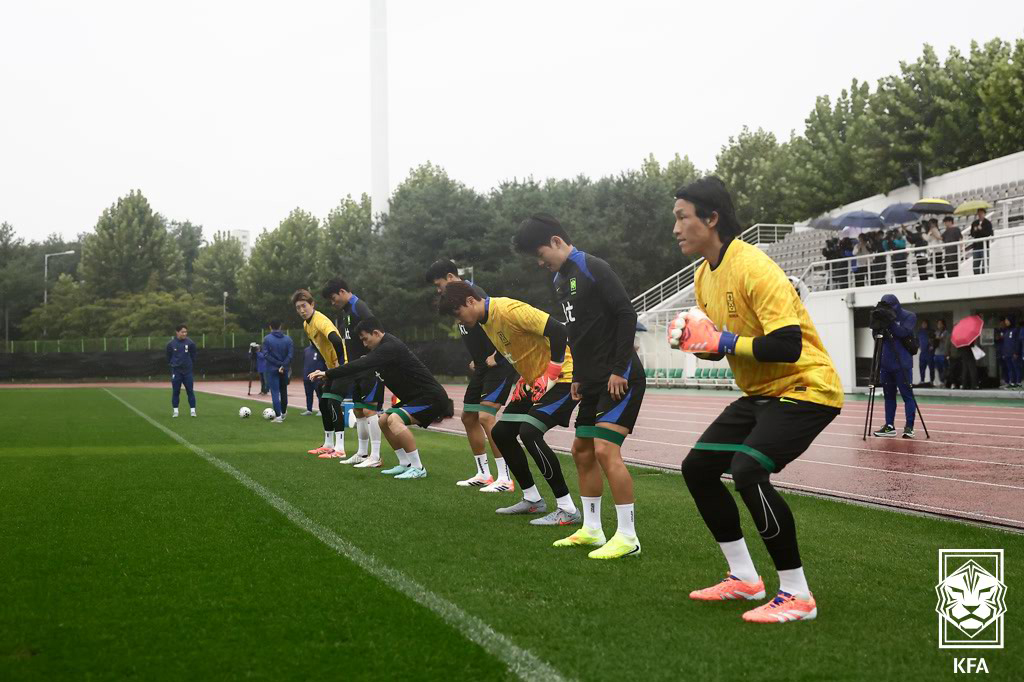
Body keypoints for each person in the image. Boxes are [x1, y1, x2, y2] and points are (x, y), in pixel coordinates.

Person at [668, 176, 843, 624]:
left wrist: (722, 339)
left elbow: (787, 345)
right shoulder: (702, 273)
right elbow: (726, 343)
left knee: (747, 470)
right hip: (762, 393)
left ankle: (798, 595)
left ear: (711, 218)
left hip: (807, 387)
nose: (676, 228)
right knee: (698, 468)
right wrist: (697, 342)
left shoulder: (755, 265)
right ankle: (744, 578)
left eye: (682, 217)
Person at [513, 213, 647, 560]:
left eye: (541, 254)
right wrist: (581, 379)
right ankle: (591, 530)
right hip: (591, 380)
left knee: (604, 449)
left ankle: (628, 537)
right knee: (582, 451)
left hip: (621, 376)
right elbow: (578, 333)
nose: (540, 262)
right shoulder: (559, 279)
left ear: (557, 241)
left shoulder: (592, 266)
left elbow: (626, 314)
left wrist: (619, 369)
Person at [438, 282, 581, 526]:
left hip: (564, 378)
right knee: (502, 433)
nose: (458, 321)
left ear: (470, 301)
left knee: (530, 432)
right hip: (534, 382)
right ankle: (532, 499)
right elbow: (520, 351)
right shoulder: (486, 322)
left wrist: (553, 370)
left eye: (457, 314)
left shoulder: (508, 309)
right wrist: (523, 380)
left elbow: (558, 330)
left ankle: (567, 508)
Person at [308, 318, 453, 480]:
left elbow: (360, 365)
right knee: (383, 420)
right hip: (416, 397)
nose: (364, 344)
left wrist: (328, 373)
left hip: (431, 397)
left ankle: (418, 468)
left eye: (365, 339)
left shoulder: (389, 347)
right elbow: (360, 364)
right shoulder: (382, 349)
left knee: (394, 420)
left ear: (376, 333)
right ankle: (404, 464)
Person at [426, 260, 518, 491]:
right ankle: (483, 473)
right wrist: (477, 358)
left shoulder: (474, 294)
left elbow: (504, 329)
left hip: (500, 366)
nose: (438, 290)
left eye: (439, 284)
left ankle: (505, 478)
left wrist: (496, 356)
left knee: (486, 417)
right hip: (481, 367)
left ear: (450, 276)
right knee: (469, 417)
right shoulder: (455, 299)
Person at [321, 278, 385, 467]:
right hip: (355, 368)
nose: (333, 303)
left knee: (369, 410)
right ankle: (362, 453)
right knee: (358, 411)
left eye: (333, 298)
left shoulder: (359, 307)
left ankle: (376, 456)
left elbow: (377, 331)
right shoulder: (346, 311)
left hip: (369, 367)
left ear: (342, 291)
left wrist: (374, 358)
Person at [292, 289, 348, 458]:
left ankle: (340, 449)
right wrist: (324, 368)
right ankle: (329, 444)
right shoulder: (306, 324)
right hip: (331, 367)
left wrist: (340, 365)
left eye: (304, 306)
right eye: (298, 307)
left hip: (343, 365)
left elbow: (337, 340)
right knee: (324, 402)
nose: (302, 310)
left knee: (332, 402)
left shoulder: (320, 320)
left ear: (312, 304)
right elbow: (317, 346)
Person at [871, 295, 918, 438]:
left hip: (902, 364)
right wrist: (878, 323)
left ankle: (909, 427)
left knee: (907, 396)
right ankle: (889, 426)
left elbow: (903, 332)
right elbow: (876, 335)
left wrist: (890, 322)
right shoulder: (883, 317)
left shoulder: (909, 316)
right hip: (886, 363)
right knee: (889, 396)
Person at [262, 320, 294, 422]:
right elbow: (290, 355)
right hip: (284, 369)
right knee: (283, 390)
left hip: (272, 369)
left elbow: (266, 354)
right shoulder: (288, 339)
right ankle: (283, 412)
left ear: (270, 327)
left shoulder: (267, 339)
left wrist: (277, 364)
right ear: (280, 326)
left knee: (275, 392)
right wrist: (283, 365)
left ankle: (278, 416)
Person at [166, 324, 198, 417]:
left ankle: (193, 411)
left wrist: (189, 365)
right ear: (177, 332)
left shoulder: (190, 343)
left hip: (187, 372)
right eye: (182, 332)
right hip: (176, 372)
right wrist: (173, 364)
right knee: (176, 391)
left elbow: (193, 356)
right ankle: (175, 411)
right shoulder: (171, 344)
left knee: (190, 391)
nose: (184, 334)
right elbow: (168, 357)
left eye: (186, 332)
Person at [302, 344, 327, 415]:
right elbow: (304, 361)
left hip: (317, 377)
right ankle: (309, 409)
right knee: (308, 394)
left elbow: (324, 363)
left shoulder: (321, 350)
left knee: (319, 394)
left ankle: (321, 410)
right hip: (307, 376)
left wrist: (322, 374)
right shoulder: (306, 350)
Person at [996, 317, 1020, 389]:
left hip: (1013, 353)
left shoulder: (1015, 330)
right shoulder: (1006, 331)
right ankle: (1011, 382)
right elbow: (1005, 343)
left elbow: (1017, 342)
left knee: (1016, 367)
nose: (1006, 322)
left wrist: (1016, 352)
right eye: (1005, 321)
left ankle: (1018, 382)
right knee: (1009, 368)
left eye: (1007, 321)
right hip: (1006, 353)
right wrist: (1004, 353)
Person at [969, 208, 994, 275]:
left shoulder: (988, 223)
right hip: (976, 246)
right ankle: (976, 277)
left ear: (984, 214)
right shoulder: (974, 223)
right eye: (979, 213)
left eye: (981, 213)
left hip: (984, 246)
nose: (980, 214)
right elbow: (972, 234)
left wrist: (981, 229)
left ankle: (984, 276)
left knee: (985, 264)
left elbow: (988, 233)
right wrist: (975, 230)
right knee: (975, 265)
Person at [916, 319, 934, 387]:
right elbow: (917, 340)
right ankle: (922, 380)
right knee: (921, 367)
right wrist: (918, 346)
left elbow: (933, 340)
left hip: (929, 352)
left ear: (927, 324)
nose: (924, 325)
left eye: (925, 324)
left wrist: (932, 346)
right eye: (923, 324)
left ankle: (931, 381)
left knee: (931, 367)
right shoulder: (920, 332)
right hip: (922, 352)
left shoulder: (931, 331)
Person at [933, 319, 950, 387]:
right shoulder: (936, 332)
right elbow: (934, 340)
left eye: (940, 324)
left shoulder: (946, 332)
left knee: (944, 368)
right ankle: (941, 381)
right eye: (938, 324)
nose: (939, 325)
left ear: (943, 325)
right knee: (938, 368)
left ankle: (945, 381)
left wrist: (940, 338)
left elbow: (946, 340)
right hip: (937, 353)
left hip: (943, 353)